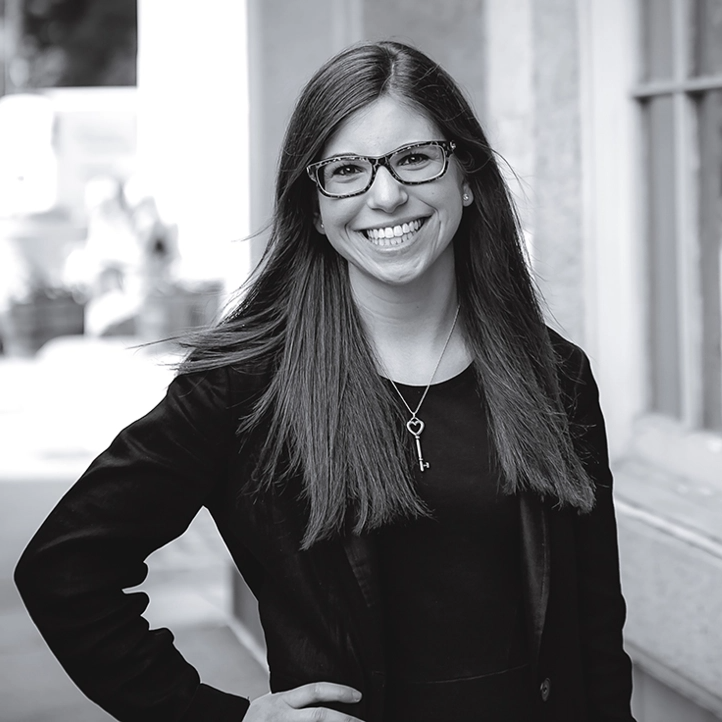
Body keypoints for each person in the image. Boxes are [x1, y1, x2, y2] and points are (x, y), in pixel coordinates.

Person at [15, 41, 636, 722]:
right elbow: (66, 571)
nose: (387, 193)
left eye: (415, 157)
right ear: (312, 205)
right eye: (347, 170)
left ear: (466, 177)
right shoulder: (246, 388)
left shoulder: (555, 375)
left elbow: (594, 626)